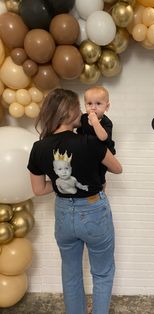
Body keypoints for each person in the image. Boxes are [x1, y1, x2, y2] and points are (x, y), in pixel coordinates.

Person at [27, 88, 122, 314]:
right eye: (78, 107)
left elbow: (39, 189)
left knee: (70, 271)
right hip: (93, 210)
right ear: (69, 112)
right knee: (102, 272)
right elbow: (117, 168)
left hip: (62, 214)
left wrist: (63, 181)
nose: (83, 111)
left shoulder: (39, 147)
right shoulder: (89, 142)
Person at [77, 86, 115, 189]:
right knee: (87, 172)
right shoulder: (83, 118)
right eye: (89, 104)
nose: (93, 107)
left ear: (106, 107)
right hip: (88, 152)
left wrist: (94, 122)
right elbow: (78, 132)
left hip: (103, 153)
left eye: (98, 104)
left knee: (100, 175)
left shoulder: (106, 122)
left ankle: (101, 190)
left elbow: (102, 137)